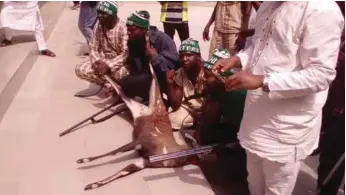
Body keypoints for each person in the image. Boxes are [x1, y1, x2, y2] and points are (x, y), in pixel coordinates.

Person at [212, 1, 344, 194]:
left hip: (286, 127)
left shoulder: (321, 10)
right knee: (254, 182)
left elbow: (320, 75)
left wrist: (263, 80)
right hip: (256, 117)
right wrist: (237, 59)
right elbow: (260, 46)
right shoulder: (268, 4)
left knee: (276, 189)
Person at [120, 10, 179, 101]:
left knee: (127, 83)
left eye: (132, 30)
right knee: (123, 81)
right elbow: (135, 66)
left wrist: (154, 57)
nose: (128, 33)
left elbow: (172, 67)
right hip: (145, 76)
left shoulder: (163, 40)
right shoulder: (133, 41)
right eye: (128, 29)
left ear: (143, 29)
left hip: (163, 79)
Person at [75, 1, 128, 97]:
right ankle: (110, 86)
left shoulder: (123, 28)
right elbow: (93, 48)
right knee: (80, 69)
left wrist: (108, 65)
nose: (99, 16)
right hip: (103, 61)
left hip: (119, 64)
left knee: (122, 74)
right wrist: (97, 62)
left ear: (113, 14)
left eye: (103, 13)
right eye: (98, 12)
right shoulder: (98, 26)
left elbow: (126, 54)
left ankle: (119, 87)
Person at [165, 38, 204, 130]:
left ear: (198, 56)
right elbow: (175, 104)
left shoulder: (207, 72)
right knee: (167, 120)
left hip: (206, 110)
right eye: (181, 56)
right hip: (189, 108)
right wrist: (169, 83)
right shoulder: (180, 72)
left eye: (189, 55)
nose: (184, 59)